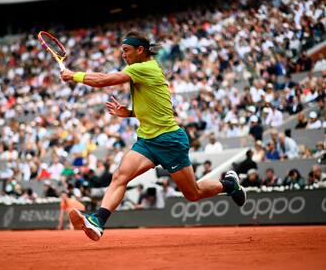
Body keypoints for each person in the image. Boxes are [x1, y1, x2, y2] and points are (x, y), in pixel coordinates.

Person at [60, 31, 245, 241]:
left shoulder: (145, 68)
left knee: (193, 194)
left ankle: (229, 184)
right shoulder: (139, 70)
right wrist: (129, 112)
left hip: (170, 140)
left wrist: (73, 75)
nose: (123, 55)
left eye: (127, 50)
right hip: (147, 141)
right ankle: (98, 221)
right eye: (122, 51)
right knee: (120, 176)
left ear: (140, 51)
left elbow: (104, 80)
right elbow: (155, 107)